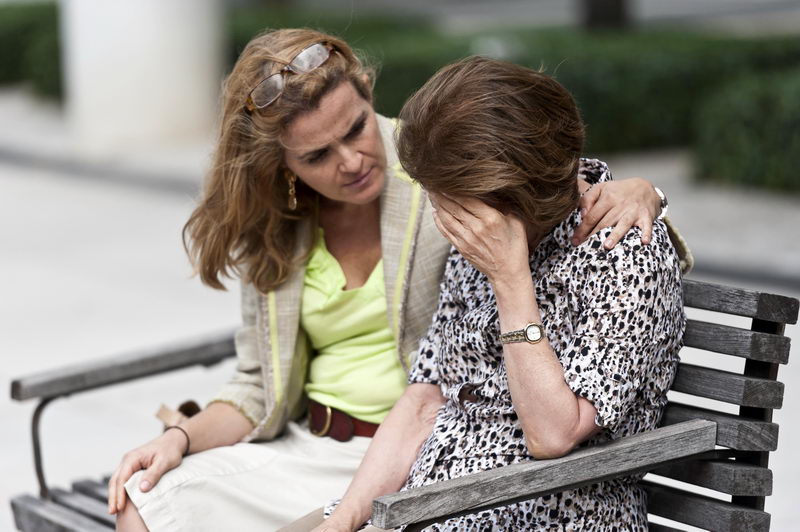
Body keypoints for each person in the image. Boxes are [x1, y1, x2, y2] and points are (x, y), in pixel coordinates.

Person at [107, 29, 679, 531]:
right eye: (316, 156)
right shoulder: (429, 210)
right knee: (151, 503)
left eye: (355, 130)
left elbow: (538, 160)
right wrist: (343, 516)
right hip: (386, 469)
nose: (352, 161)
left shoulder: (449, 178)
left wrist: (646, 192)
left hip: (490, 492)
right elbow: (419, 394)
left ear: (368, 93)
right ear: (285, 166)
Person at [316, 56, 686, 531]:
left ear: (512, 203)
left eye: (452, 206)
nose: (444, 222)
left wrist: (511, 281)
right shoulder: (477, 247)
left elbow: (554, 434)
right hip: (431, 503)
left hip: (545, 512)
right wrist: (343, 521)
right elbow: (426, 398)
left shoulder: (623, 256)